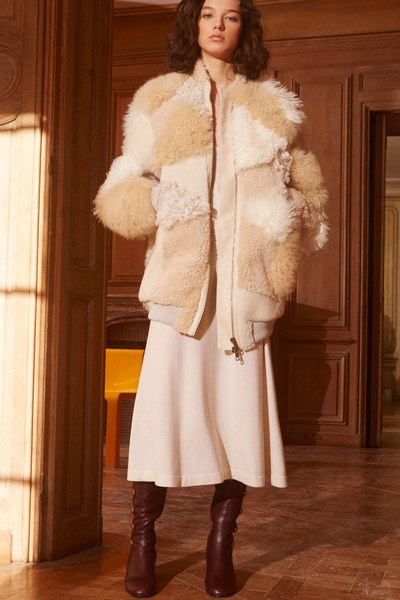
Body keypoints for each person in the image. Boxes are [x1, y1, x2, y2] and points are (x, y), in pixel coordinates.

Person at [94, 0, 328, 596]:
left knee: (237, 425)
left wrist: (288, 212)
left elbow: (307, 199)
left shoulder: (272, 107)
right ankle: (143, 541)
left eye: (230, 15)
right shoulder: (160, 99)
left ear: (244, 27)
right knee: (159, 422)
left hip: (243, 291)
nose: (218, 25)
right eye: (206, 14)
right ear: (192, 25)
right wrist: (158, 203)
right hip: (182, 288)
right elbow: (120, 189)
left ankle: (220, 546)